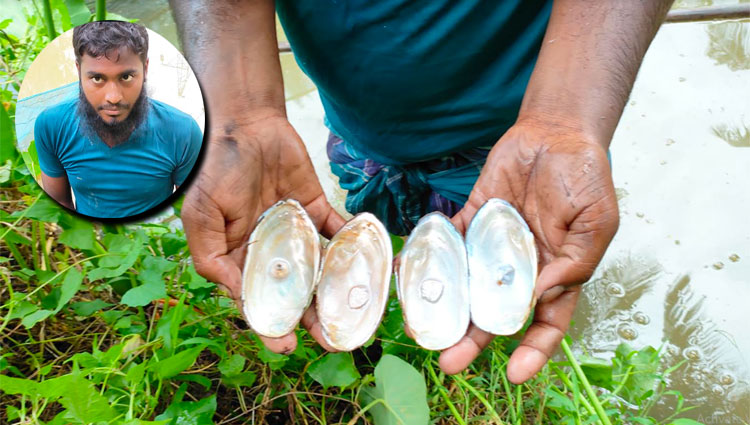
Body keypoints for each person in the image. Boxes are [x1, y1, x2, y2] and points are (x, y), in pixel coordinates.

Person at [170, 0, 673, 383]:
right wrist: (236, 120)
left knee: (510, 311)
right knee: (372, 240)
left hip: (516, 163)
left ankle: (483, 376)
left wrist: (566, 123)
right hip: (360, 139)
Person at [35, 21, 203, 219]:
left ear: (145, 69)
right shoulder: (51, 126)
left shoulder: (182, 132)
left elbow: (193, 208)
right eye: (97, 79)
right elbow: (60, 203)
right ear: (78, 70)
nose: (113, 97)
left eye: (126, 77)